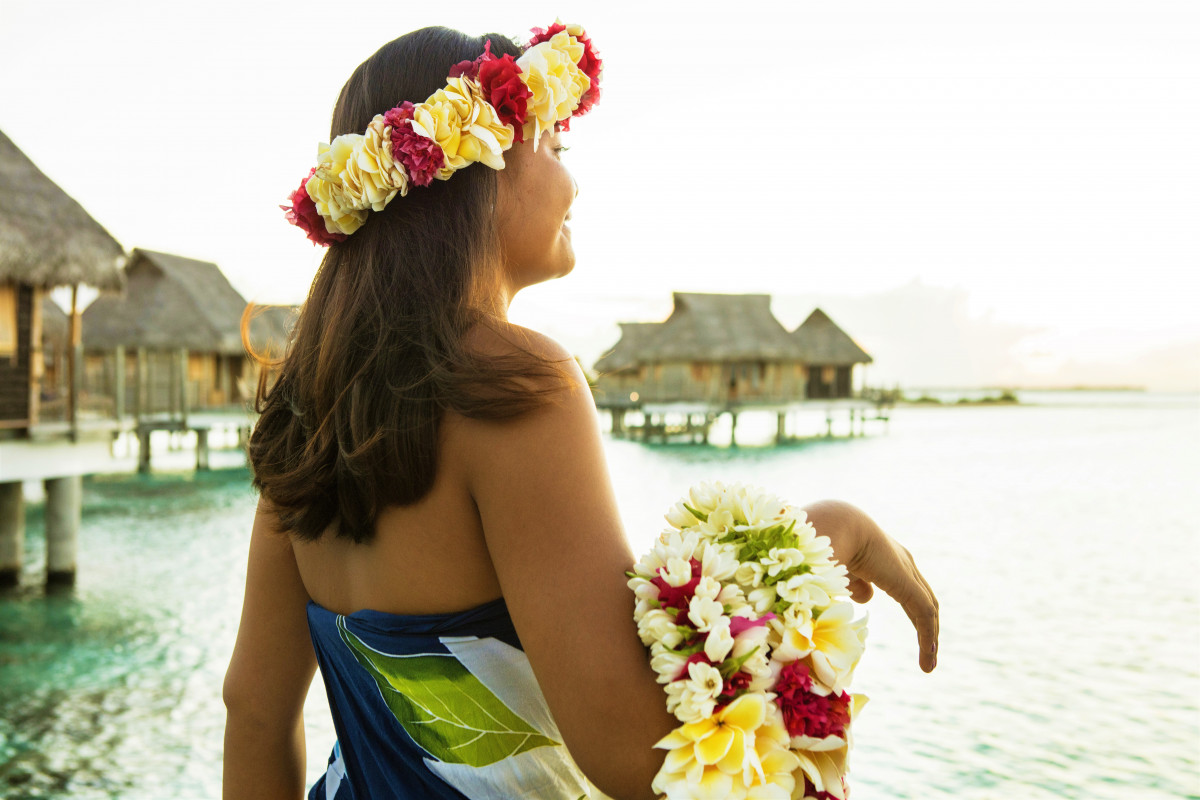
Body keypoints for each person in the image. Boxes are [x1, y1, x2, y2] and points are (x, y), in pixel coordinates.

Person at [221, 23, 940, 800]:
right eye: (557, 150)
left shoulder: (309, 406)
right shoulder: (519, 383)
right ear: (478, 172)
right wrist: (832, 533)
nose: (574, 183)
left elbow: (255, 712)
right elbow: (638, 758)